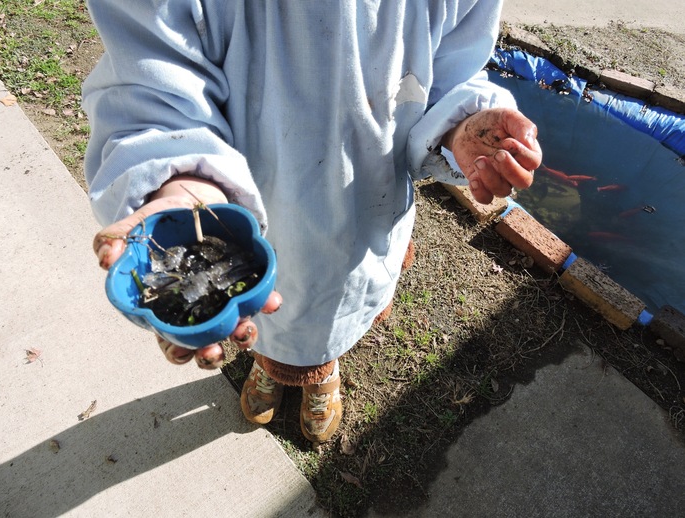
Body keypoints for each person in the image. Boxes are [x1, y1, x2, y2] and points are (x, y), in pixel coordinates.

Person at [83, 0, 542, 445]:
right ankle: (269, 365)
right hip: (250, 204)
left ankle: (324, 371)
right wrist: (181, 176)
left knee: (333, 314)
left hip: (366, 203)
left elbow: (449, 72)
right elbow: (150, 77)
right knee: (265, 313)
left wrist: (462, 126)